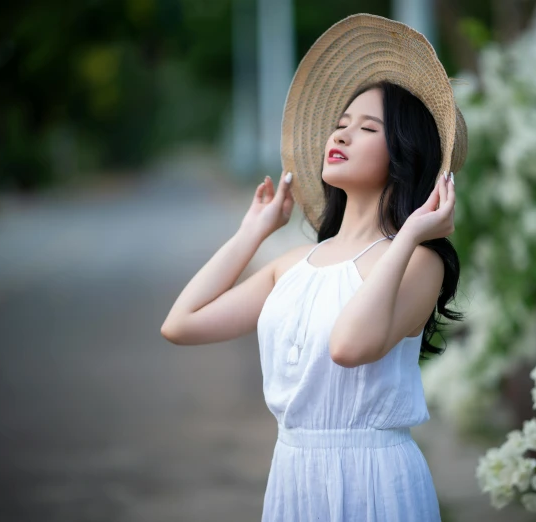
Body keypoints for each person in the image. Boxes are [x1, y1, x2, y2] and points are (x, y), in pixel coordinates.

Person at [161, 13, 467, 522]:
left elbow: (349, 347)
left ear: (404, 156)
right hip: (294, 478)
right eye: (340, 124)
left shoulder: (418, 262)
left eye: (366, 128)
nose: (341, 135)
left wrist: (412, 230)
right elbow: (181, 323)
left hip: (374, 481)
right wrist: (251, 232)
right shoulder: (292, 266)